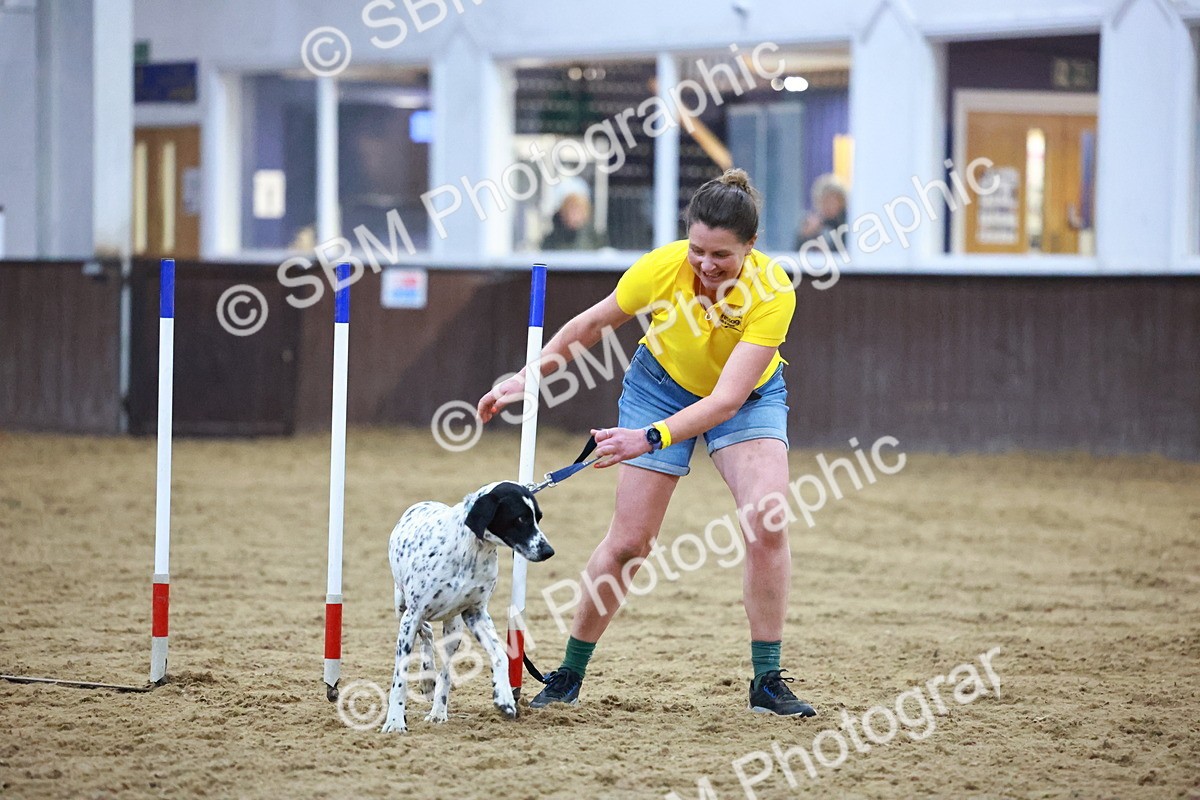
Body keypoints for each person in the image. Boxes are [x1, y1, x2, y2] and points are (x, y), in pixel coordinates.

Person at [476, 168, 815, 717]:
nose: (706, 265)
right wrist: (526, 378)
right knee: (631, 542)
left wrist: (647, 438)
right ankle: (569, 672)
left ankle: (767, 680)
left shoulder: (772, 291)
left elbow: (726, 401)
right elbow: (589, 327)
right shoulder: (661, 267)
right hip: (658, 387)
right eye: (698, 250)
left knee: (767, 518)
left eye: (722, 256)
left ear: (751, 248)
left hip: (747, 398)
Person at [796, 173, 848, 251]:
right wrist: (805, 236)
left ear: (841, 202)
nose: (827, 206)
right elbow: (796, 253)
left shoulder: (847, 223)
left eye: (832, 201)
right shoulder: (816, 222)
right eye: (823, 201)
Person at [541, 192, 606, 250]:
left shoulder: (594, 239)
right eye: (572, 211)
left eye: (579, 211)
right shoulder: (551, 240)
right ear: (563, 213)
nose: (575, 215)